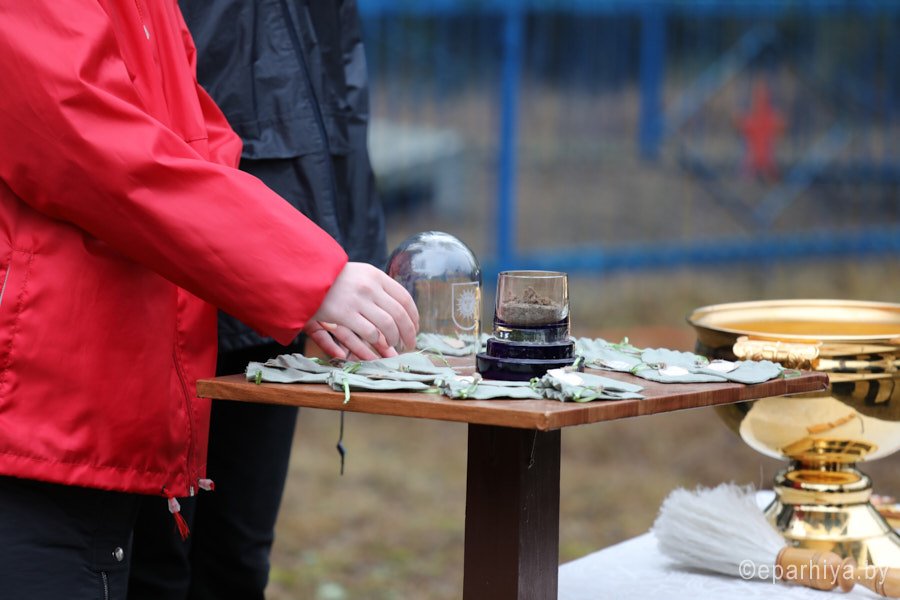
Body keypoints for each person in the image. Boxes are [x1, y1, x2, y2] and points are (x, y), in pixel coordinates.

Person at [0, 2, 417, 599]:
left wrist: (295, 267)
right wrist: (300, 272)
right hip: (39, 410)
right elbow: (86, 137)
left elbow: (199, 140)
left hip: (109, 405)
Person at [127, 1, 391, 598]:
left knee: (239, 554)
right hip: (174, 257)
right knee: (156, 555)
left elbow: (338, 82)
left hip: (288, 262)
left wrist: (349, 245)